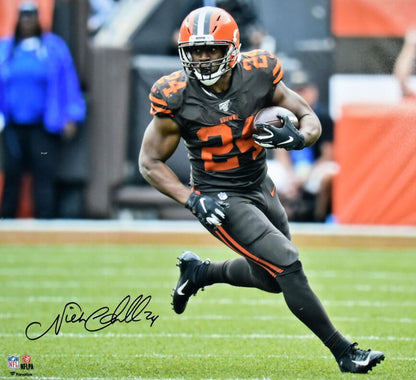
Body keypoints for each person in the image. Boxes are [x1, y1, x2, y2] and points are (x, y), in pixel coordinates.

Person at [138, 6, 384, 374]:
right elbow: (149, 162)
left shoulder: (258, 73)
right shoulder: (174, 95)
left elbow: (308, 117)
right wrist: (191, 199)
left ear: (233, 48)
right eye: (196, 51)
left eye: (212, 49)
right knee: (287, 262)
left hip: (259, 185)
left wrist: (300, 139)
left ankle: (200, 273)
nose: (203, 59)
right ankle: (344, 352)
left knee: (271, 280)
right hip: (219, 197)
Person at [0, 1, 86, 218]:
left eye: (32, 15)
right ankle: (7, 222)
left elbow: (68, 81)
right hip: (11, 125)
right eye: (24, 16)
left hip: (43, 124)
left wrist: (71, 115)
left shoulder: (53, 48)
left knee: (44, 175)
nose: (28, 21)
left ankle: (45, 222)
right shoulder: (7, 48)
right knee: (11, 174)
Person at [268, 70, 338, 222]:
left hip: (315, 167)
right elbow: (280, 152)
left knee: (330, 173)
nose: (300, 94)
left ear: (314, 91)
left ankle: (320, 218)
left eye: (303, 90)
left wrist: (304, 177)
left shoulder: (324, 116)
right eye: (296, 90)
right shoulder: (282, 114)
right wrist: (292, 176)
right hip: (291, 168)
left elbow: (329, 154)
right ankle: (280, 216)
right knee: (264, 172)